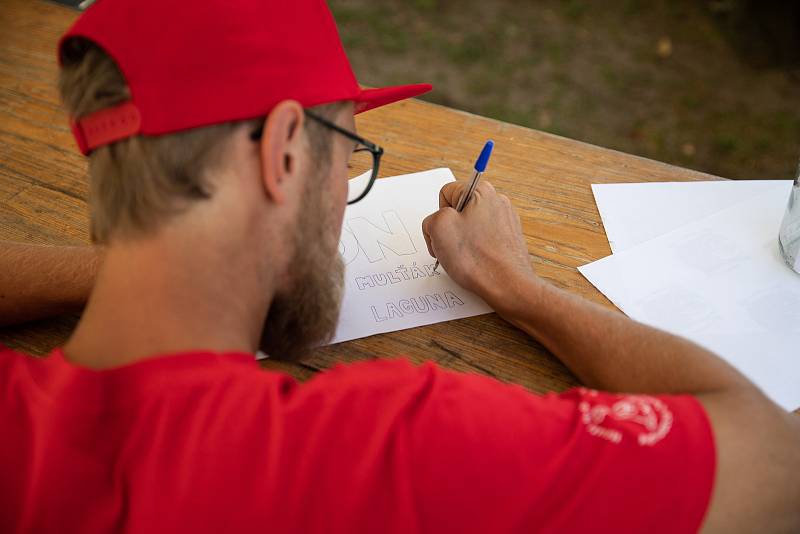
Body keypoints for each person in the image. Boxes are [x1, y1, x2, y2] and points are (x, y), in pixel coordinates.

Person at [1, 0, 798, 532]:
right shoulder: (392, 449)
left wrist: (150, 265)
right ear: (284, 151)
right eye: (346, 152)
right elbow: (769, 455)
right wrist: (518, 289)